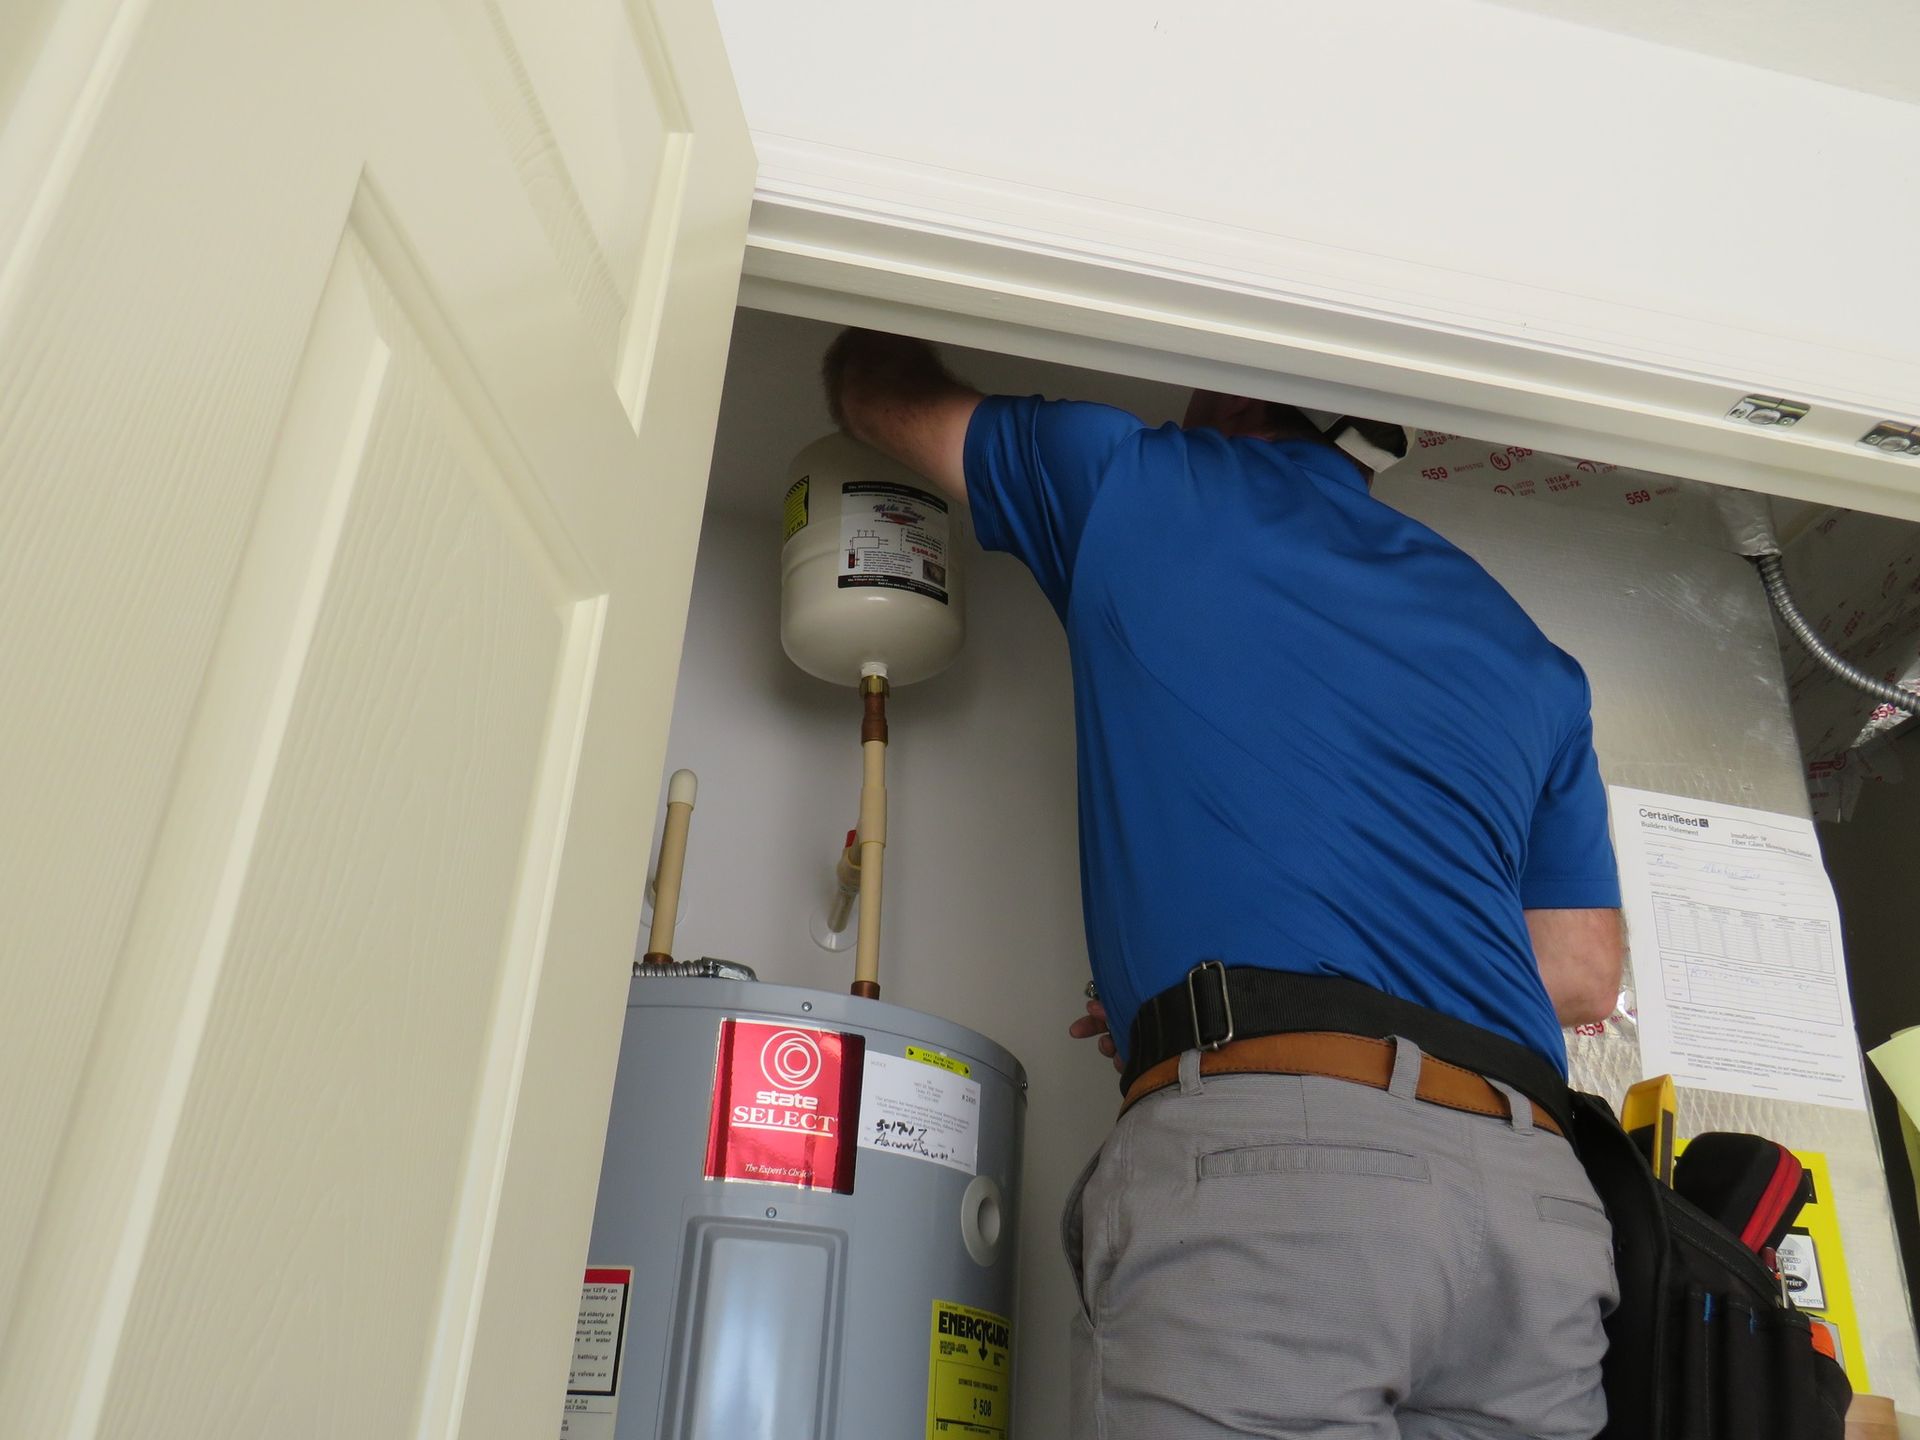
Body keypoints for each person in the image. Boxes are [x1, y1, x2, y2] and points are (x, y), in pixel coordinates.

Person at [822, 327, 1625, 1440]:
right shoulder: (1528, 651)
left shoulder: (1140, 477)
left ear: (1238, 393)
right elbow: (1580, 973)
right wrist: (1288, 966)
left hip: (1288, 1189)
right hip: (1536, 1209)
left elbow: (881, 395)